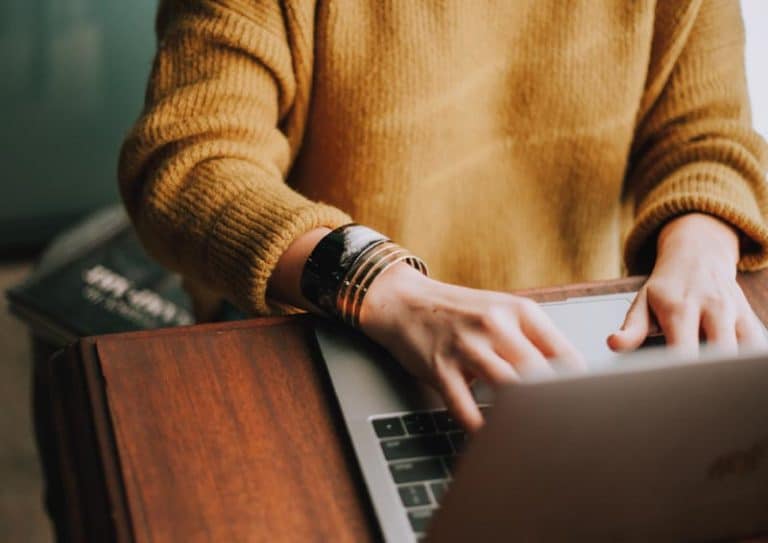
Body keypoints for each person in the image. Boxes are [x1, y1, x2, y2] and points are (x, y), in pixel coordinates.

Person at [119, 0, 768, 430]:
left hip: (573, 349)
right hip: (331, 336)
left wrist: (702, 249)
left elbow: (706, 133)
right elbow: (189, 163)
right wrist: (381, 285)